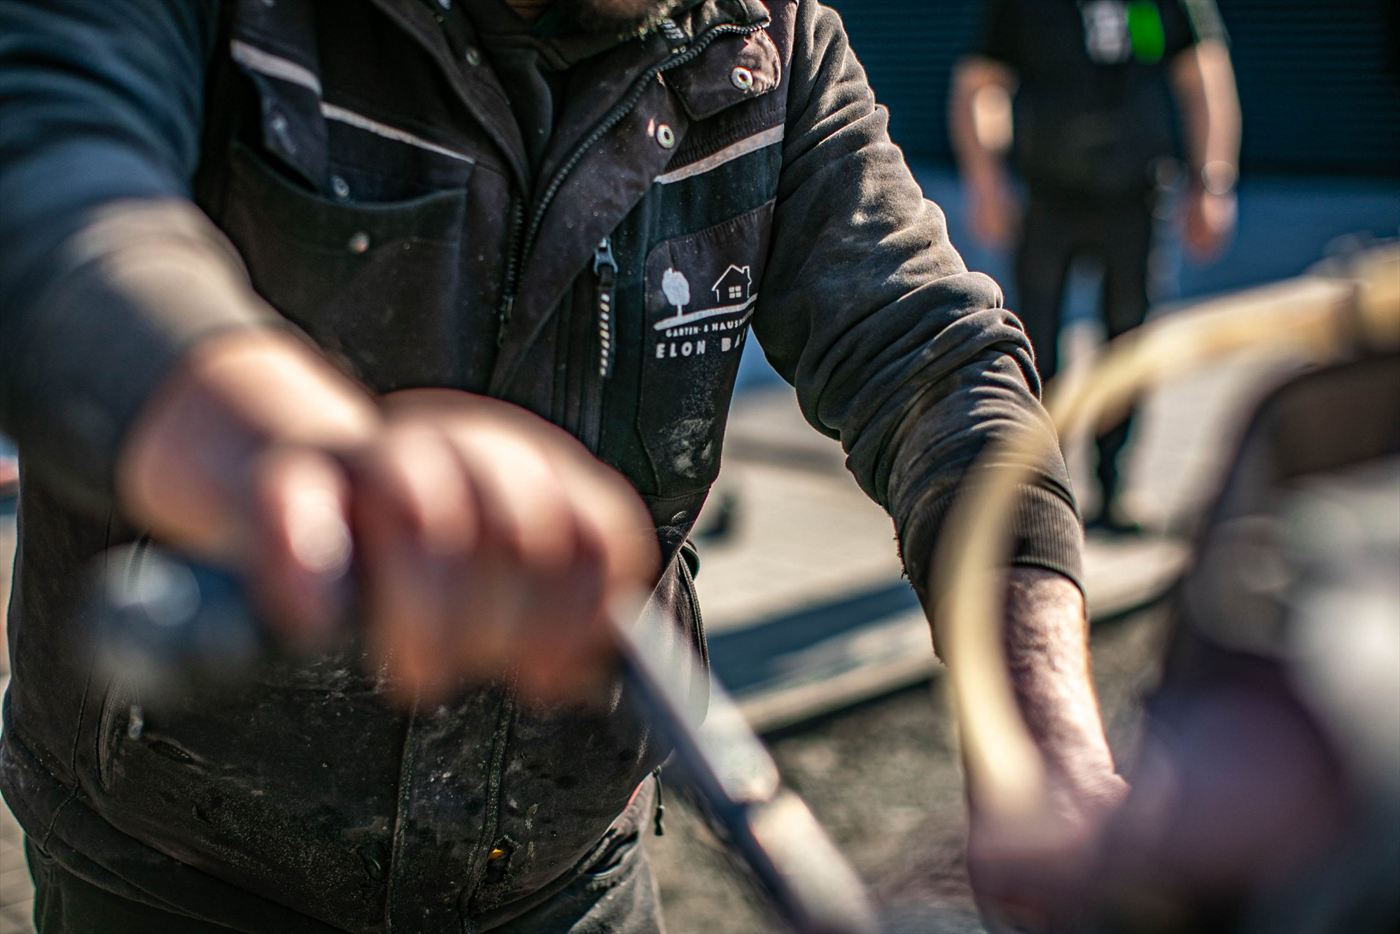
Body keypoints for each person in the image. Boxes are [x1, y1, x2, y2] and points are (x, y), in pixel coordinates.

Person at [0, 1, 1123, 931]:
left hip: (557, 870)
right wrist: (300, 454)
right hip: (176, 858)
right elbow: (54, 187)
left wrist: (1042, 743)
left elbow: (935, 361)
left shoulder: (769, 41)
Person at [951, 0, 1241, 533]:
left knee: (1128, 344)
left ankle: (1114, 489)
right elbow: (980, 84)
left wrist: (1212, 182)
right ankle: (1042, 491)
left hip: (1136, 194)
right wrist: (986, 180)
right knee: (1033, 345)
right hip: (1049, 194)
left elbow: (1203, 75)